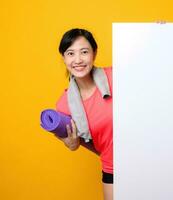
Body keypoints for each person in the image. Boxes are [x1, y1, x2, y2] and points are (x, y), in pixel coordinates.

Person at [55, 28, 113, 200]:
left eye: (84, 52)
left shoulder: (117, 76)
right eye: (71, 53)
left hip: (150, 158)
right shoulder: (64, 105)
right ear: (64, 58)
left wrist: (157, 35)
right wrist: (73, 144)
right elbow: (84, 143)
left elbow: (153, 72)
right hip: (114, 168)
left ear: (94, 54)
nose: (78, 60)